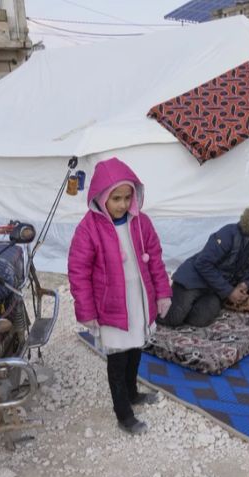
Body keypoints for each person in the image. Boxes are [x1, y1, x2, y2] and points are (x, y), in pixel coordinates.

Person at [68, 157, 172, 435]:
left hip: (137, 299)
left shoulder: (142, 222)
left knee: (136, 348)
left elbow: (157, 261)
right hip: (112, 306)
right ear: (102, 198)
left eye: (127, 197)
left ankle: (133, 392)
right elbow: (78, 271)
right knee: (118, 359)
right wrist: (87, 311)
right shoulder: (89, 228)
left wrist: (162, 293)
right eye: (116, 198)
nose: (123, 204)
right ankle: (123, 413)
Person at [158, 204, 249, 328]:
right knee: (173, 319)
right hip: (194, 280)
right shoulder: (231, 233)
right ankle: (156, 298)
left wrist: (247, 284)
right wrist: (229, 291)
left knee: (201, 320)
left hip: (216, 289)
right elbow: (202, 263)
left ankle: (180, 304)